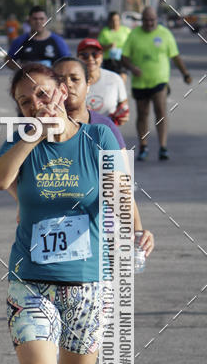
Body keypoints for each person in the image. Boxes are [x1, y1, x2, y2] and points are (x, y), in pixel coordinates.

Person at [0, 63, 154, 364]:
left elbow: (121, 192)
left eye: (41, 95)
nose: (36, 104)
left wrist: (137, 231)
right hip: (31, 281)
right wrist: (30, 135)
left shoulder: (98, 139)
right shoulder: (21, 144)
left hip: (86, 282)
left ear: (62, 91)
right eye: (25, 101)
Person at [54, 56, 151, 235]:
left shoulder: (104, 128)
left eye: (75, 79)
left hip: (99, 227)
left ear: (88, 84)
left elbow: (122, 184)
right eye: (60, 80)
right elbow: (6, 179)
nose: (67, 85)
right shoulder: (35, 128)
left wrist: (136, 231)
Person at [121, 6, 192, 161]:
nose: (149, 23)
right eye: (146, 20)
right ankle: (143, 146)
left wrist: (185, 74)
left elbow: (175, 57)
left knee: (160, 110)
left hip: (159, 81)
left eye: (152, 20)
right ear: (142, 21)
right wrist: (132, 68)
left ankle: (163, 146)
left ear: (156, 19)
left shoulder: (165, 34)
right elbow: (124, 57)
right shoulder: (134, 35)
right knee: (143, 113)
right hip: (140, 83)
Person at [77, 38, 129, 125]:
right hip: (79, 133)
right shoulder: (70, 81)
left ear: (101, 57)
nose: (90, 58)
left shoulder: (115, 79)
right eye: (84, 55)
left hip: (108, 132)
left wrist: (122, 115)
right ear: (77, 58)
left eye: (95, 54)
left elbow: (123, 106)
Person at [5, 5, 69, 70]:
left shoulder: (58, 41)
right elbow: (8, 61)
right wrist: (20, 69)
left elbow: (68, 62)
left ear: (46, 20)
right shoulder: (20, 41)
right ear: (29, 20)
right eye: (35, 19)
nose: (38, 22)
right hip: (28, 79)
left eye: (41, 19)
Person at [98, 11, 130, 81]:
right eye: (113, 20)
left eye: (117, 20)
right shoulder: (104, 32)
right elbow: (99, 48)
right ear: (109, 21)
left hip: (122, 60)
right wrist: (108, 46)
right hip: (109, 61)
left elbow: (132, 44)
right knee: (110, 83)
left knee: (122, 80)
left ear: (120, 21)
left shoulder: (126, 31)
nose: (115, 22)